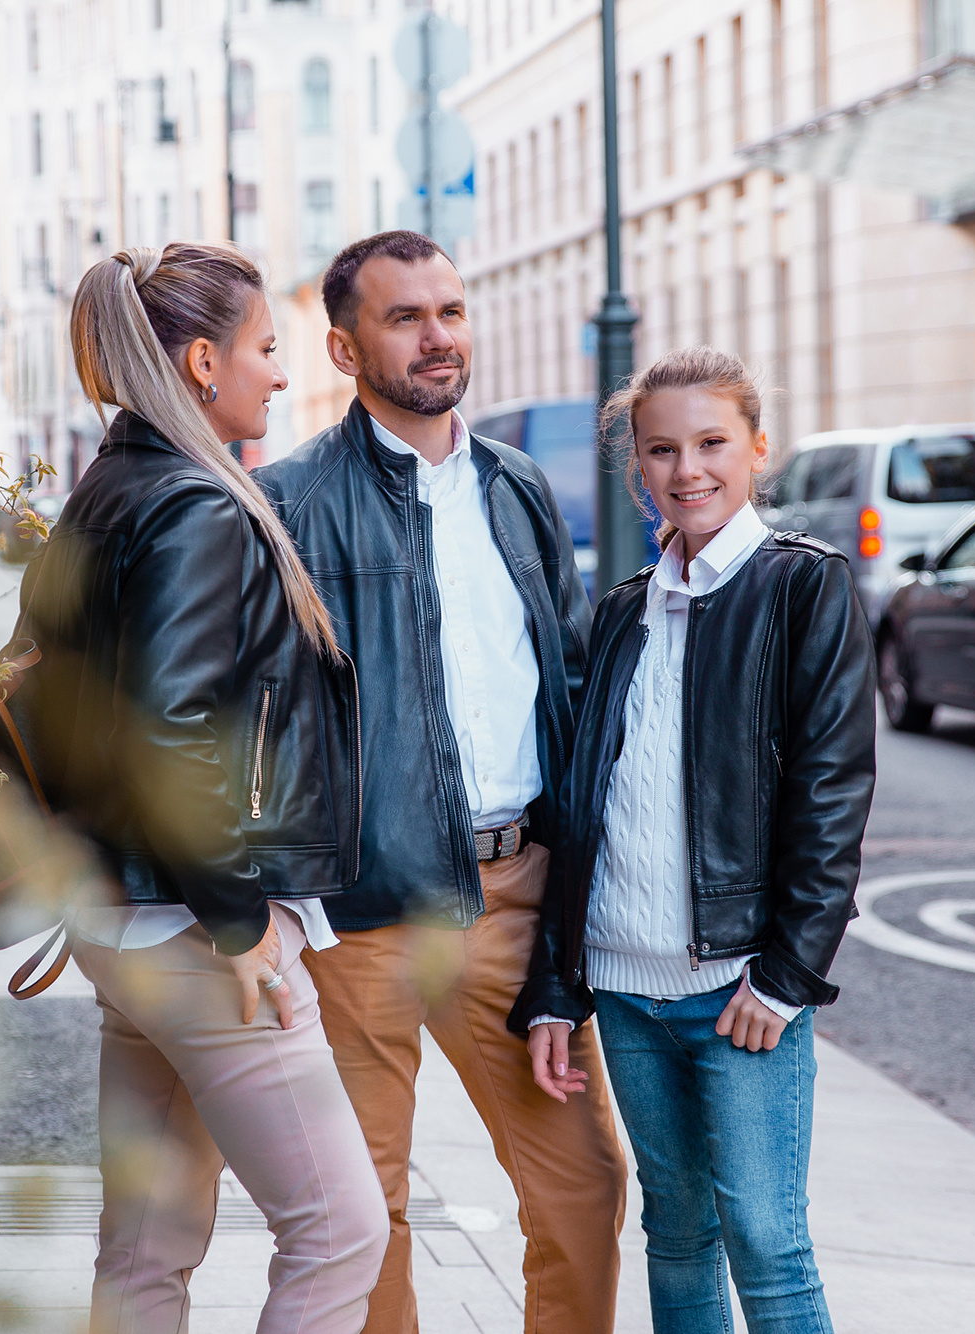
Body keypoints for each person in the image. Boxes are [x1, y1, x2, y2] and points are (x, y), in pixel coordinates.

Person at [253, 231, 627, 1334]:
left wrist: (571, 894)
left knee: (580, 1184)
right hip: (359, 908)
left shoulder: (516, 485)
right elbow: (258, 709)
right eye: (404, 316)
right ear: (342, 343)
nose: (435, 336)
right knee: (369, 1211)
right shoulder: (291, 497)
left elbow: (560, 674)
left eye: (449, 312)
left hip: (513, 894)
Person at [17, 242, 387, 1334]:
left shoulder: (108, 489)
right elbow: (167, 732)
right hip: (192, 928)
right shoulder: (194, 505)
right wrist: (241, 922)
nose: (278, 373)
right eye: (264, 348)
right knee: (340, 1228)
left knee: (146, 1244)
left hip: (121, 920)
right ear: (196, 359)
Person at [515, 347, 876, 1334]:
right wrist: (557, 982)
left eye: (711, 442)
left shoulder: (803, 586)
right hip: (626, 988)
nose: (687, 469)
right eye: (661, 449)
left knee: (765, 1236)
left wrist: (789, 972)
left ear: (757, 448)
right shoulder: (624, 609)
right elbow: (578, 803)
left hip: (739, 989)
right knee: (674, 1230)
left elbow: (831, 790)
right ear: (636, 468)